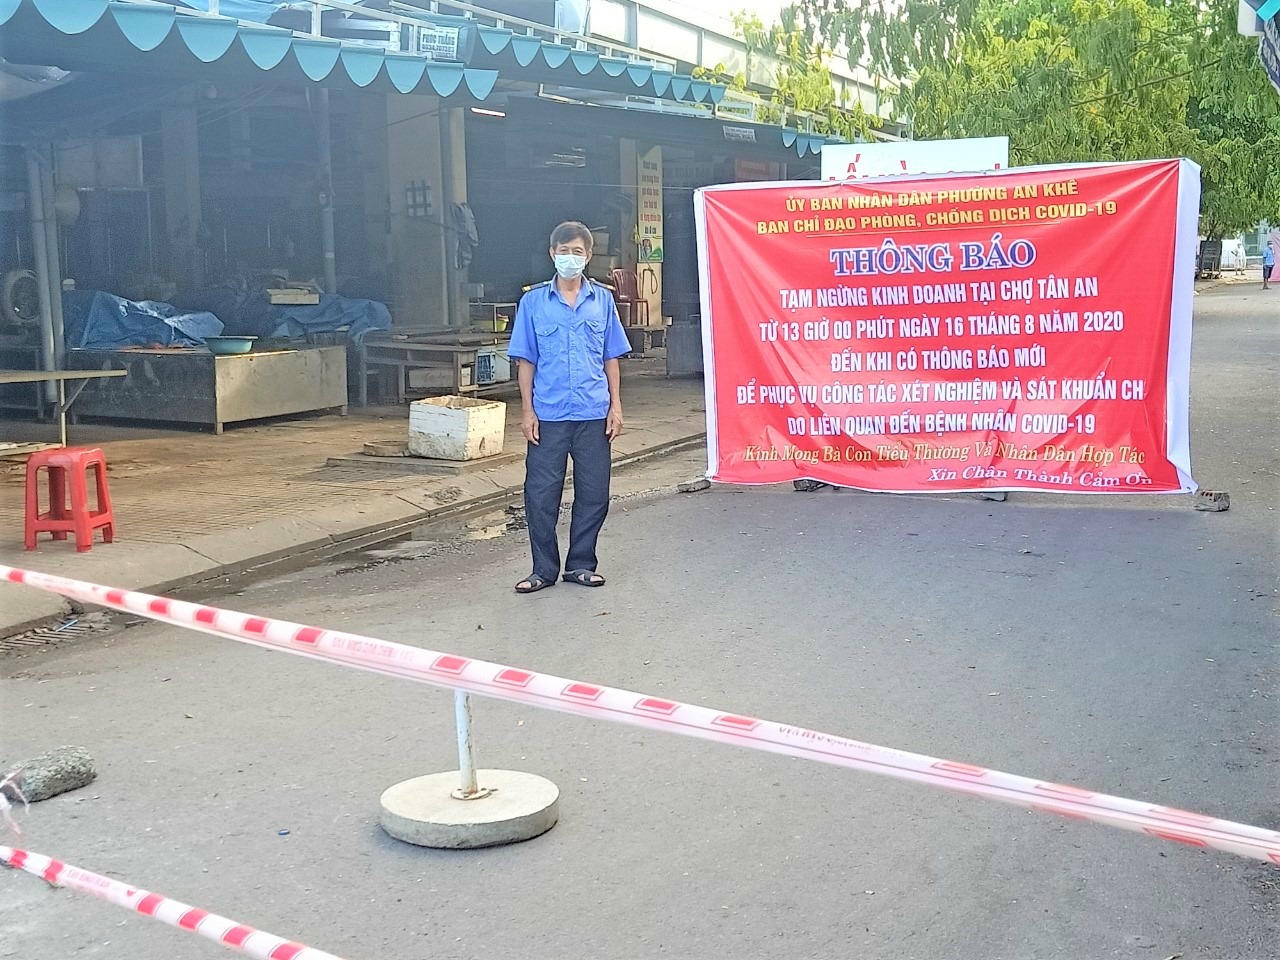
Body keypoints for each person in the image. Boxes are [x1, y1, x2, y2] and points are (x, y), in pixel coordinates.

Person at [507, 221, 631, 594]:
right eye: (564, 252)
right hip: (549, 414)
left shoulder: (603, 301)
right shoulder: (533, 303)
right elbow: (525, 361)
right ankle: (543, 570)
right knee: (541, 494)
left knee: (594, 493)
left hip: (594, 412)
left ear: (588, 256)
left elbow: (611, 357)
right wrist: (527, 411)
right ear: (552, 254)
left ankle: (581, 564)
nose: (570, 258)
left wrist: (616, 406)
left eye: (577, 252)